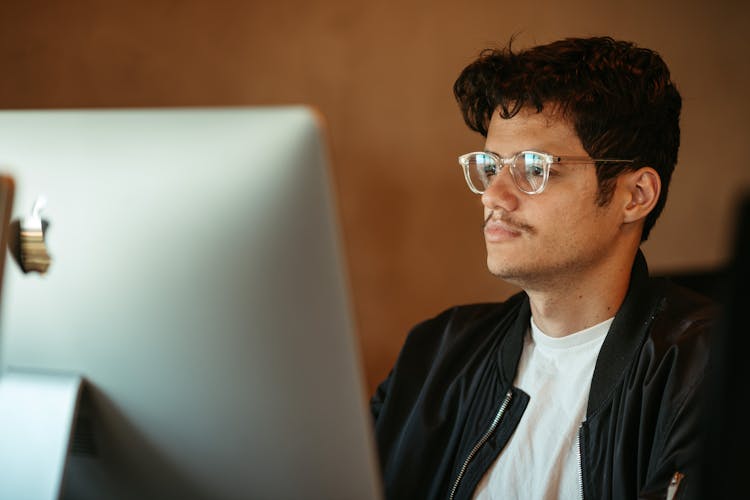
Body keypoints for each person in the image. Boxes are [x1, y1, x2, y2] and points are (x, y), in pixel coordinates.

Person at [370, 36, 717, 500]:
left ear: (635, 196)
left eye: (534, 168)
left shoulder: (709, 371)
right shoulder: (436, 353)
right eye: (490, 166)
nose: (493, 195)